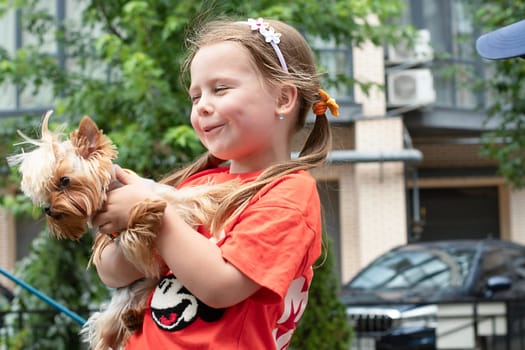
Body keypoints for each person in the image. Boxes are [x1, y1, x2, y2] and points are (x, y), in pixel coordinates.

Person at [93, 17, 339, 349]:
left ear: (283, 99)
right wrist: (127, 219)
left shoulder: (288, 194)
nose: (202, 106)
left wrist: (153, 211)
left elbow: (221, 286)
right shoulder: (200, 182)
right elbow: (113, 273)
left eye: (220, 89)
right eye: (195, 97)